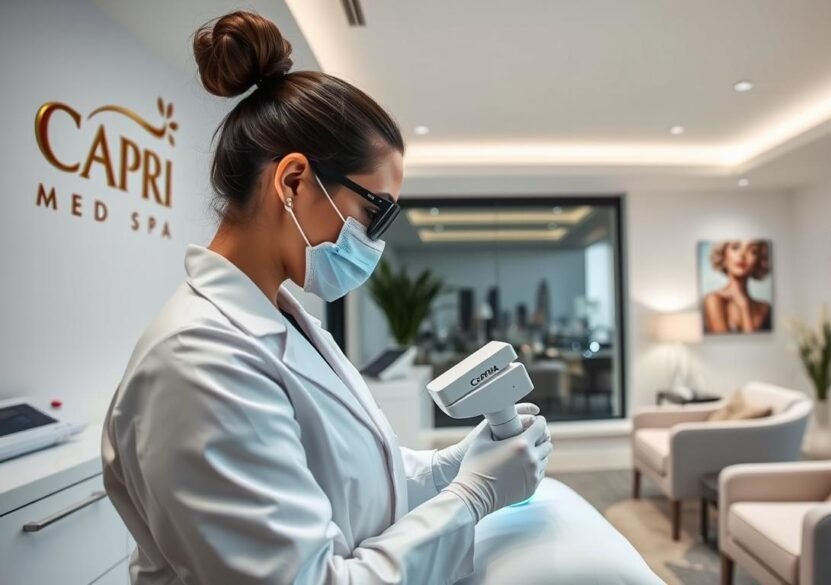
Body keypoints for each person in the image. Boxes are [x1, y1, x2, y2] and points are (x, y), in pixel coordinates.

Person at [101, 11, 551, 585]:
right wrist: (471, 497)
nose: (375, 241)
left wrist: (450, 467)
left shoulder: (286, 322)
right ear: (292, 181)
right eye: (375, 212)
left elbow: (358, 481)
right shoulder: (198, 361)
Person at [702, 239, 772, 333]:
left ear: (758, 261)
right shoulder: (714, 299)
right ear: (723, 254)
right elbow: (723, 343)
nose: (742, 255)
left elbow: (752, 344)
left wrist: (744, 307)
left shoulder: (765, 308)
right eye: (735, 247)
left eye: (753, 251)